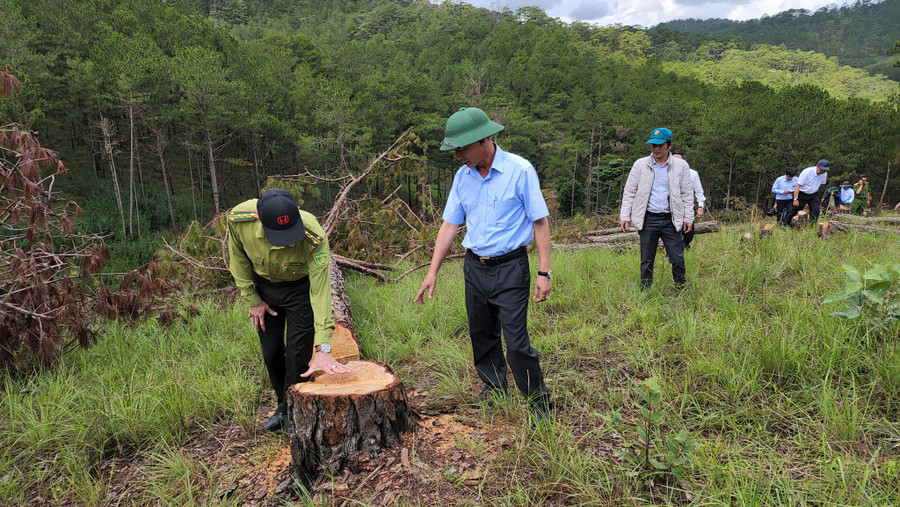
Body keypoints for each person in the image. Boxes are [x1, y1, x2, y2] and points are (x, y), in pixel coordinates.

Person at [414, 107, 553, 422]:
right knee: (482, 334)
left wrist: (544, 272)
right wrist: (432, 271)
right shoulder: (462, 178)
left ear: (482, 140)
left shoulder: (520, 170)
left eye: (462, 148)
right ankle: (494, 389)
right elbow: (450, 225)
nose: (458, 155)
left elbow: (540, 222)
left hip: (511, 267)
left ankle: (539, 404)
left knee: (516, 342)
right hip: (474, 267)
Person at [227, 189, 351, 434]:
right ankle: (282, 406)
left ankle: (296, 411)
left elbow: (321, 291)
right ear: (261, 221)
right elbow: (238, 259)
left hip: (299, 291)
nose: (288, 241)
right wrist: (252, 299)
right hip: (264, 290)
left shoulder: (313, 235)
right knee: (271, 351)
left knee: (298, 356)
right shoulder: (239, 220)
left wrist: (324, 346)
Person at [619, 128, 694, 290]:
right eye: (653, 145)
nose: (656, 149)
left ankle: (681, 288)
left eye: (660, 145)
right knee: (646, 259)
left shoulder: (681, 166)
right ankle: (646, 291)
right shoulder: (640, 165)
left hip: (671, 219)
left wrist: (688, 218)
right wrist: (625, 215)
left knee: (677, 258)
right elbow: (630, 191)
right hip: (648, 219)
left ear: (669, 145)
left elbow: (687, 193)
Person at [672, 149, 704, 249]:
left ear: (685, 160)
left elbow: (699, 191)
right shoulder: (667, 172)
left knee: (689, 231)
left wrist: (700, 206)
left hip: (687, 207)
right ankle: (671, 253)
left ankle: (685, 247)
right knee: (672, 231)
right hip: (671, 206)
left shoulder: (692, 174)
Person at [787, 159, 830, 224]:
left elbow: (819, 185)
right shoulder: (807, 172)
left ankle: (812, 226)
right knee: (794, 210)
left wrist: (815, 194)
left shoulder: (824, 174)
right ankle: (785, 224)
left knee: (816, 211)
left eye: (824, 170)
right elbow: (798, 186)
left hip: (813, 194)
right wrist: (795, 199)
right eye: (821, 170)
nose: (822, 172)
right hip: (802, 193)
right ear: (817, 166)